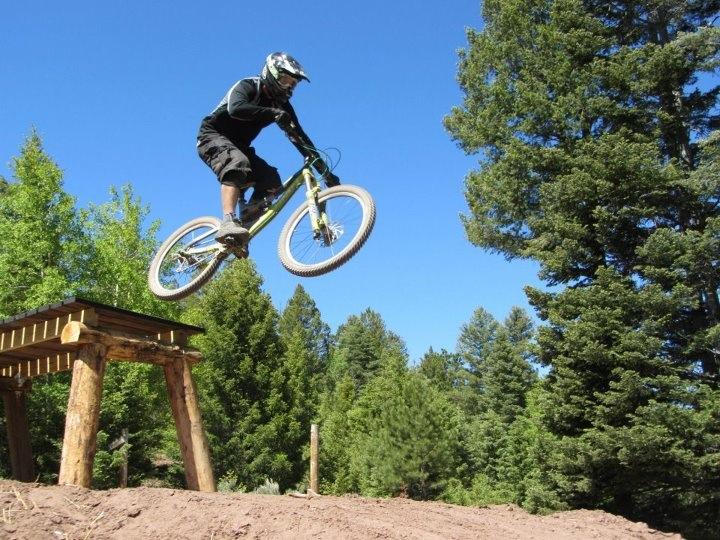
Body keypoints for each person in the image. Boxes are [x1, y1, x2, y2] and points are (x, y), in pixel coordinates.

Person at [197, 52, 340, 244]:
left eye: (293, 83)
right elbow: (236, 109)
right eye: (285, 79)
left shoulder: (282, 106)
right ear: (271, 74)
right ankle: (228, 222)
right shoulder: (249, 86)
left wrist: (325, 172)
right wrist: (273, 113)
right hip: (212, 136)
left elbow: (300, 139)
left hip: (240, 146)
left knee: (272, 180)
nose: (288, 86)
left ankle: (243, 228)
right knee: (237, 162)